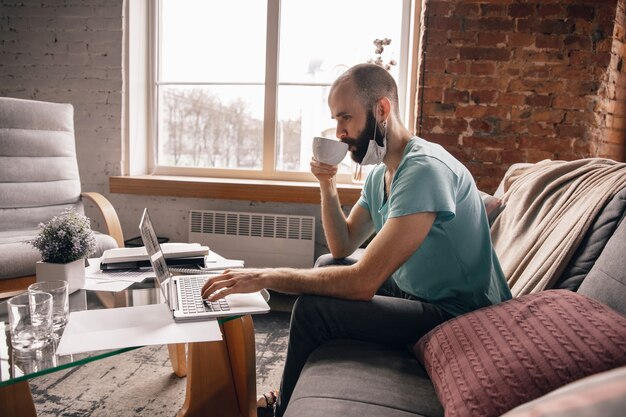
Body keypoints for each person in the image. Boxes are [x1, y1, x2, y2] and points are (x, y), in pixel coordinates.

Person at [202, 63, 512, 416]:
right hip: (417, 291)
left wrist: (264, 276)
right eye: (336, 120)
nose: (340, 132)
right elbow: (342, 245)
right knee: (327, 265)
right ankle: (291, 390)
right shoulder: (382, 172)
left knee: (311, 310)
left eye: (346, 118)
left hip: (456, 313)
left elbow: (363, 283)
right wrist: (327, 182)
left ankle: (281, 408)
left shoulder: (424, 170)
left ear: (381, 109)